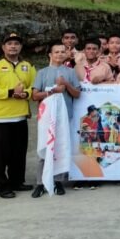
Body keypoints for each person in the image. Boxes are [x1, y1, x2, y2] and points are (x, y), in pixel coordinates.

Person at [0, 33, 36, 198]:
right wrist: (11, 92)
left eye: (16, 44)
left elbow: (34, 87)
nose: (13, 46)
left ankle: (17, 181)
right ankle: (1, 185)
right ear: (3, 47)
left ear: (21, 47)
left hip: (20, 117)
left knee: (18, 153)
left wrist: (25, 94)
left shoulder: (28, 66)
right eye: (10, 44)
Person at [30, 42, 81, 198]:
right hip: (46, 117)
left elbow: (77, 94)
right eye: (56, 52)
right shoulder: (42, 73)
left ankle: (58, 181)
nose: (59, 54)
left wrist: (65, 83)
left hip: (65, 117)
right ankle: (40, 182)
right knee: (45, 148)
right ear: (50, 55)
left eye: (62, 52)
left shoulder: (71, 72)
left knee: (61, 147)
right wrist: (53, 91)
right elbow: (34, 95)